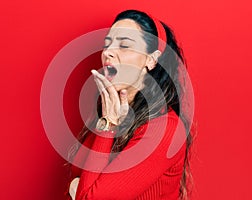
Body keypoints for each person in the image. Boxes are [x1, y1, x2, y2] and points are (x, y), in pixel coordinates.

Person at [66, 9, 193, 200]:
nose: (108, 52)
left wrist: (108, 124)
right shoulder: (111, 109)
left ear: (151, 59)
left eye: (124, 45)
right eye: (107, 44)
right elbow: (77, 173)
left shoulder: (165, 129)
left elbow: (85, 194)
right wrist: (108, 123)